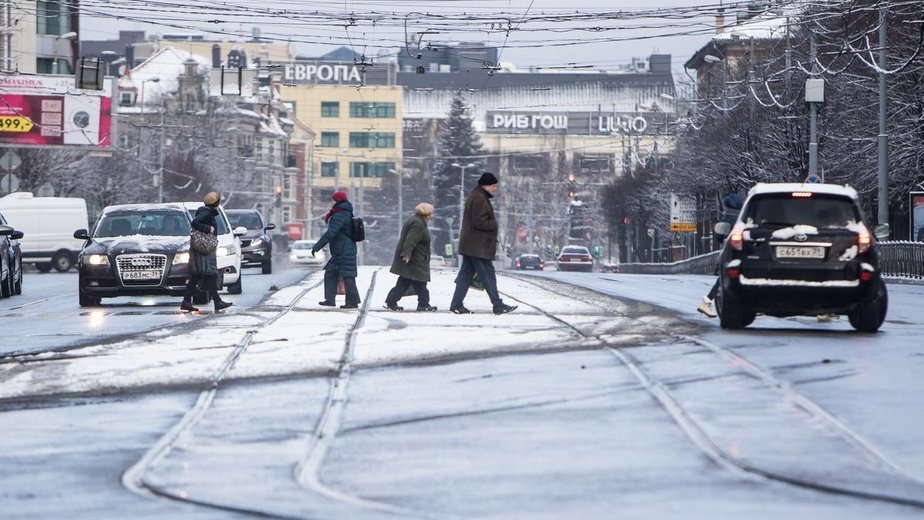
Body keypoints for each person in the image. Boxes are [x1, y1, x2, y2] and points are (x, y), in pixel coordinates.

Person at [449, 172, 517, 315]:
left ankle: (456, 305)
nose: (495, 189)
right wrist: (494, 225)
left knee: (465, 276)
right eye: (493, 186)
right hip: (477, 246)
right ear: (486, 185)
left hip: (473, 245)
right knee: (487, 275)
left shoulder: (478, 196)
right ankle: (497, 305)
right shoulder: (479, 198)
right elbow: (478, 221)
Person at [180, 192, 233, 313]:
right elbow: (195, 223)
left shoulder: (204, 212)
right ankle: (217, 302)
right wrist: (209, 228)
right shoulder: (206, 213)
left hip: (200, 250)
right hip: (204, 251)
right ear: (216, 204)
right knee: (211, 275)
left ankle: (186, 301)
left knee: (196, 277)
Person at [384, 202, 437, 312]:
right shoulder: (418, 224)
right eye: (431, 213)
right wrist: (406, 255)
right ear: (426, 214)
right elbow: (410, 241)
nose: (432, 216)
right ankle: (423, 304)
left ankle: (391, 301)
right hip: (415, 260)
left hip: (414, 259)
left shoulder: (416, 220)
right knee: (420, 283)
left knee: (405, 282)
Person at [312, 191, 361, 309]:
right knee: (335, 273)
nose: (332, 202)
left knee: (346, 275)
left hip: (343, 250)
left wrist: (317, 246)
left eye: (333, 200)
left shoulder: (340, 215)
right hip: (344, 249)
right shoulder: (346, 213)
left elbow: (331, 233)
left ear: (337, 201)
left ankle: (350, 302)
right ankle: (332, 300)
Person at [698, 192, 744, 318]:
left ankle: (707, 302)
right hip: (740, 252)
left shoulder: (726, 218)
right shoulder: (742, 219)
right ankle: (706, 302)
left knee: (725, 278)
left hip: (728, 253)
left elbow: (719, 236)